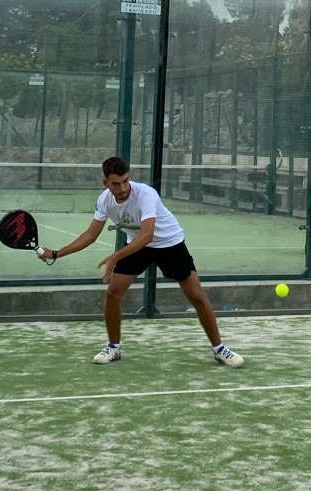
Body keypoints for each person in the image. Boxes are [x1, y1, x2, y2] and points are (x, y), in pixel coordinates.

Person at [38, 156, 244, 368]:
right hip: (137, 246)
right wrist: (55, 253)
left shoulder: (145, 194)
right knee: (113, 293)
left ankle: (220, 350)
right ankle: (114, 348)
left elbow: (147, 235)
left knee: (197, 296)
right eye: (116, 183)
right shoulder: (104, 201)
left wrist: (115, 256)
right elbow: (90, 235)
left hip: (169, 243)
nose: (122, 188)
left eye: (125, 181)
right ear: (106, 183)